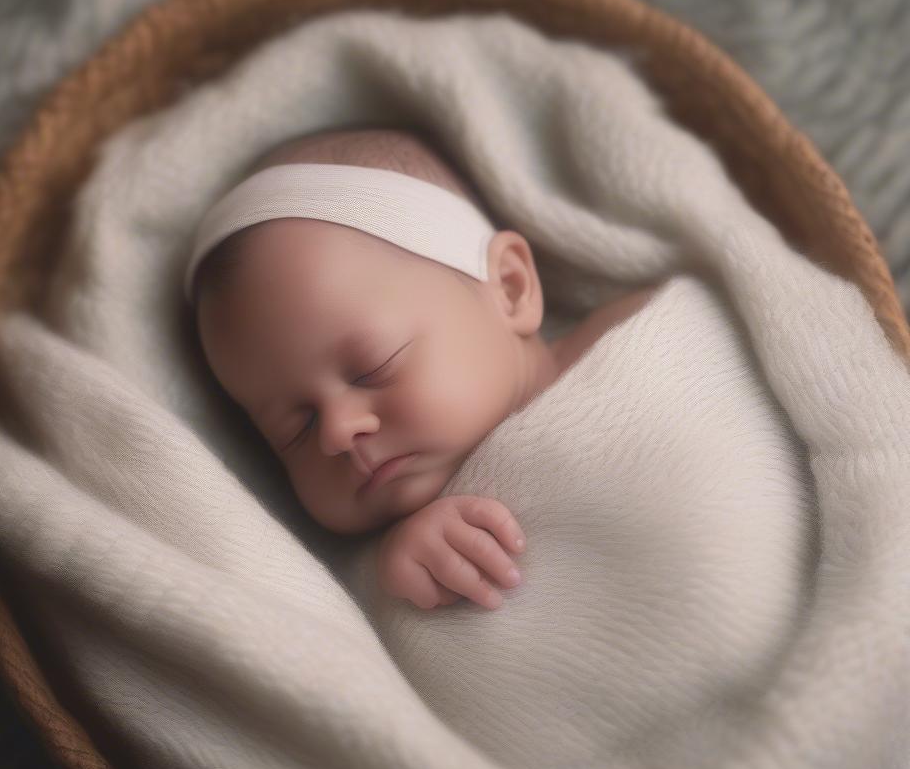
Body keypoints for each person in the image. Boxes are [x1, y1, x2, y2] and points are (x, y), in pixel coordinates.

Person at [185, 127, 659, 611]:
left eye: (373, 368)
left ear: (511, 288)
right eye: (294, 429)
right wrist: (387, 576)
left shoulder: (646, 333)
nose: (337, 433)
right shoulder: (385, 565)